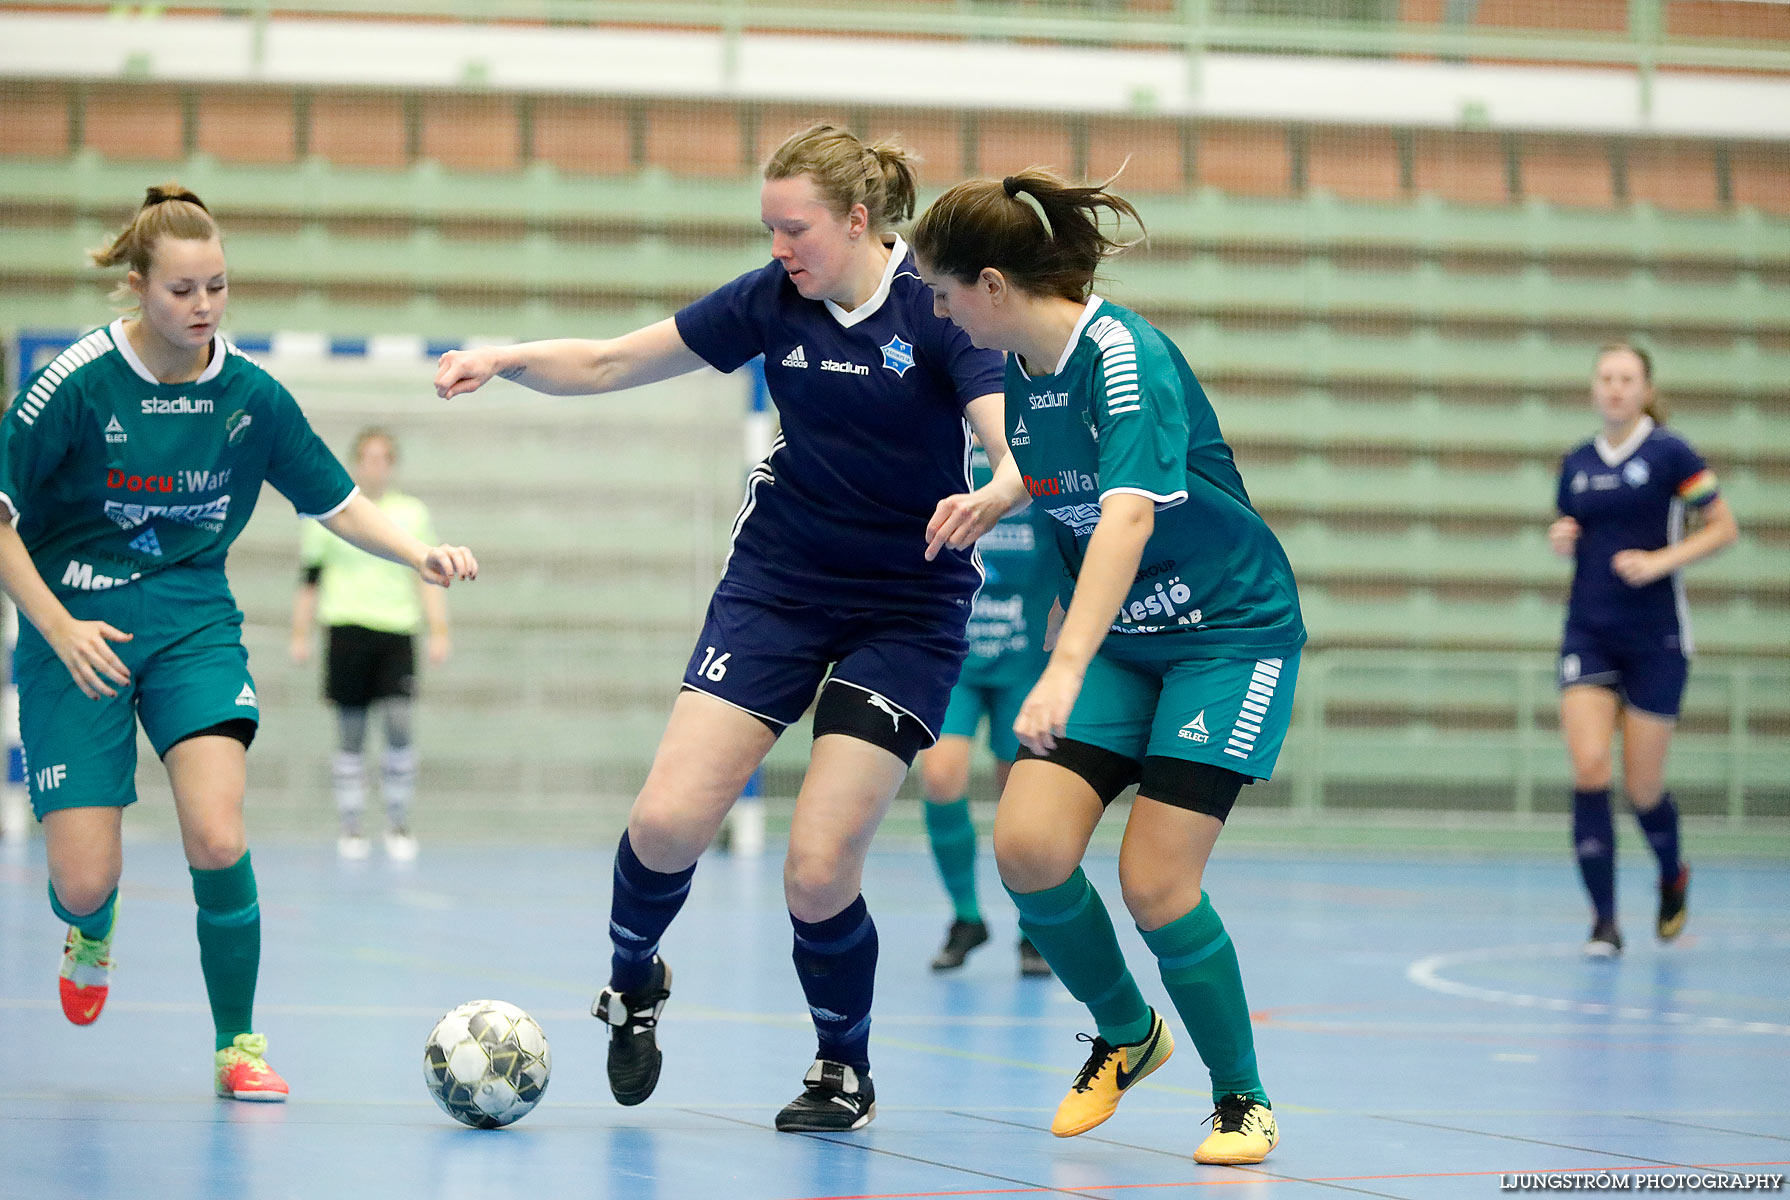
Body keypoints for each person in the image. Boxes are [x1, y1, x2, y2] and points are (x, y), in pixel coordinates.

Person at [433, 123, 1014, 1133]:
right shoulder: (770, 300)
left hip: (907, 608)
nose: (780, 247)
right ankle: (634, 983)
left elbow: (1011, 444)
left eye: (796, 229)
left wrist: (996, 495)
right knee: (665, 823)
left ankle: (842, 1066)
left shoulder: (937, 307)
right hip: (779, 584)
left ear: (860, 220)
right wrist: (508, 358)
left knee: (819, 864)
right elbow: (614, 364)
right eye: (770, 228)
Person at [0, 183, 477, 1101]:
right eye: (182, 290)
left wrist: (418, 553)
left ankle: (237, 1044)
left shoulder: (251, 396)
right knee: (85, 878)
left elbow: (334, 500)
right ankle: (90, 927)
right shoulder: (73, 383)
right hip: (77, 637)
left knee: (217, 836)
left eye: (217, 286)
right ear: (138, 286)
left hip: (193, 628)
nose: (204, 306)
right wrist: (54, 624)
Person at [912, 169, 1307, 1166]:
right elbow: (1052, 464)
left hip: (1226, 637)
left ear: (992, 285)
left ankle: (1242, 1098)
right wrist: (1001, 494)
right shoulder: (1028, 375)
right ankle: (1129, 1035)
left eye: (944, 291)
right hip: (1127, 641)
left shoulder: (1125, 357)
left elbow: (1128, 509)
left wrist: (1061, 663)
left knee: (1155, 883)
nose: (939, 309)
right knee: (1030, 851)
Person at [1549, 344, 1737, 958]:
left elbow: (1723, 527)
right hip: (1589, 631)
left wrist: (1659, 562)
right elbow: (1573, 527)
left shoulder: (1671, 453)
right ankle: (1604, 923)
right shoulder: (1576, 463)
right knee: (1589, 768)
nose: (1615, 388)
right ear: (1593, 387)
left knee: (1644, 788)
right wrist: (1562, 535)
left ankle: (1671, 873)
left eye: (1627, 379)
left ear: (1645, 387)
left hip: (1656, 638)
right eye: (1605, 377)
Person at [918, 440, 1055, 976]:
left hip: (1024, 660)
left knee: (1019, 802)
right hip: (955, 654)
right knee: (940, 777)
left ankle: (1033, 926)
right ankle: (967, 917)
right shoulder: (945, 453)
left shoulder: (1043, 463)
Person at [290, 427, 450, 862]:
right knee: (350, 731)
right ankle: (352, 825)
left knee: (398, 724)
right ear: (356, 462)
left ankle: (398, 821)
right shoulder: (331, 513)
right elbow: (310, 580)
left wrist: (439, 630)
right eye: (367, 457)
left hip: (396, 631)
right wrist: (300, 635)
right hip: (346, 629)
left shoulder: (411, 514)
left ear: (392, 464)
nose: (375, 466)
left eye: (383, 458)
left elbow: (430, 577)